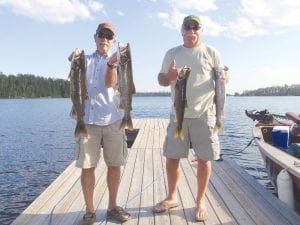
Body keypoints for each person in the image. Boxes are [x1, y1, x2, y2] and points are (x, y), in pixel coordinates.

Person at [153, 15, 227, 222]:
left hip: (205, 114)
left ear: (201, 31)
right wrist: (170, 76)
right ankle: (171, 197)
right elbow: (161, 80)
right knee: (172, 158)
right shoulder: (172, 53)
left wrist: (225, 77)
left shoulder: (212, 52)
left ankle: (200, 200)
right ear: (182, 30)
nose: (192, 31)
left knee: (204, 159)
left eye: (196, 28)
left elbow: (221, 79)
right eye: (188, 27)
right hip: (179, 114)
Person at [70, 22, 130, 225]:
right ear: (94, 37)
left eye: (109, 35)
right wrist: (73, 60)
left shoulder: (120, 61)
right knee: (87, 167)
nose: (104, 38)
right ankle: (90, 211)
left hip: (113, 120)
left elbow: (110, 83)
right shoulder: (84, 60)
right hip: (87, 121)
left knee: (114, 165)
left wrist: (112, 64)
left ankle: (112, 206)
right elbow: (73, 75)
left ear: (113, 40)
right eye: (101, 34)